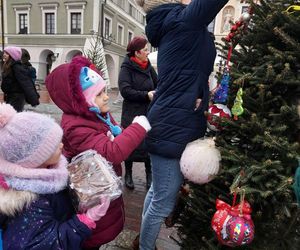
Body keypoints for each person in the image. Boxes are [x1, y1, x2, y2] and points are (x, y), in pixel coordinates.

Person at [135, 0, 229, 249]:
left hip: (173, 119)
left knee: (157, 192)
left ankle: (142, 242)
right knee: (162, 202)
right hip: (173, 124)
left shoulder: (174, 23)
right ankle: (145, 246)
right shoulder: (182, 21)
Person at [45, 56, 151, 250]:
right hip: (92, 196)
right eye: (99, 93)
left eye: (104, 90)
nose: (106, 96)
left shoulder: (96, 113)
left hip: (103, 189)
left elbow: (114, 132)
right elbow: (112, 153)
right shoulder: (76, 126)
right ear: (81, 100)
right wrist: (138, 127)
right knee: (91, 239)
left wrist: (119, 134)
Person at [0, 103, 111, 249]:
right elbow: (47, 244)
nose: (61, 145)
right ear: (33, 160)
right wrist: (85, 221)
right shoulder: (30, 203)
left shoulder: (49, 168)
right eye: (52, 146)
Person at [119, 35, 158, 190]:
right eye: (145, 50)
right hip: (131, 113)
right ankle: (128, 174)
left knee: (148, 144)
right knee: (131, 144)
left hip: (148, 112)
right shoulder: (126, 68)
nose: (148, 52)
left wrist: (156, 92)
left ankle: (149, 175)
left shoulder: (148, 66)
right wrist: (146, 95)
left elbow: (158, 83)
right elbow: (125, 90)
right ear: (136, 53)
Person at [1, 46, 39, 112]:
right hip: (10, 96)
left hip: (17, 98)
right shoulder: (8, 66)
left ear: (12, 56)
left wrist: (33, 99)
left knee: (13, 118)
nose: (4, 55)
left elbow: (26, 83)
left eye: (7, 53)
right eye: (4, 53)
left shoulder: (17, 68)